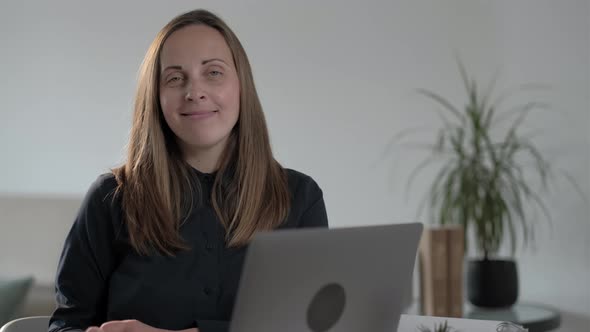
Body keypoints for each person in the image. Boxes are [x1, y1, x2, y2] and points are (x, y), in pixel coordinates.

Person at [48, 9, 328, 332]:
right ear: (156, 96)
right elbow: (65, 325)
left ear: (242, 86)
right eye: (175, 78)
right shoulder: (108, 199)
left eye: (213, 73)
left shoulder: (300, 198)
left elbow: (313, 326)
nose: (194, 92)